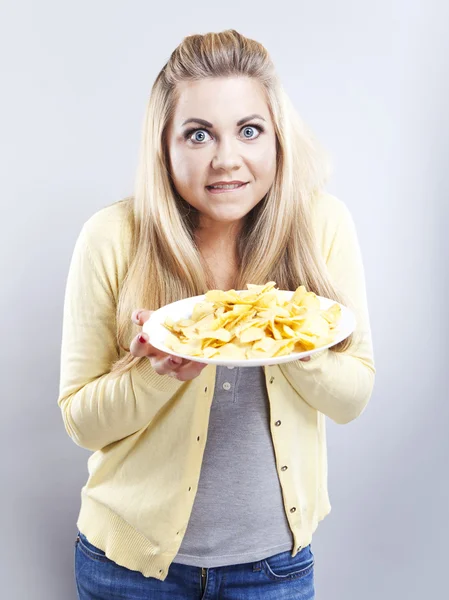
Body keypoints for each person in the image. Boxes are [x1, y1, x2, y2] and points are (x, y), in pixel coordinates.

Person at [58, 29, 375, 600]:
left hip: (272, 569)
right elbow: (81, 423)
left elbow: (353, 398)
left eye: (249, 130)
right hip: (127, 569)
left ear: (277, 137)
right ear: (165, 145)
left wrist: (293, 349)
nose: (227, 159)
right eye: (198, 134)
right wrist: (154, 376)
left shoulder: (323, 225)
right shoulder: (111, 237)